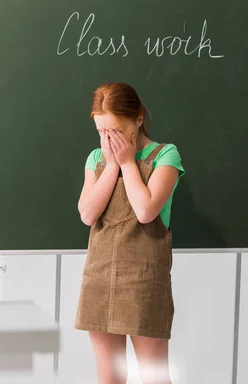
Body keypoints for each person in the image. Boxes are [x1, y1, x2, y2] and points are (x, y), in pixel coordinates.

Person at [75, 82, 185, 384]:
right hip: (99, 276)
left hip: (143, 280)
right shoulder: (97, 159)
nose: (107, 139)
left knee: (154, 377)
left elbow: (146, 211)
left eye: (115, 131)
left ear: (138, 119)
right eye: (101, 131)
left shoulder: (165, 156)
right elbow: (87, 214)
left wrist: (126, 163)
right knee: (110, 377)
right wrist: (112, 166)